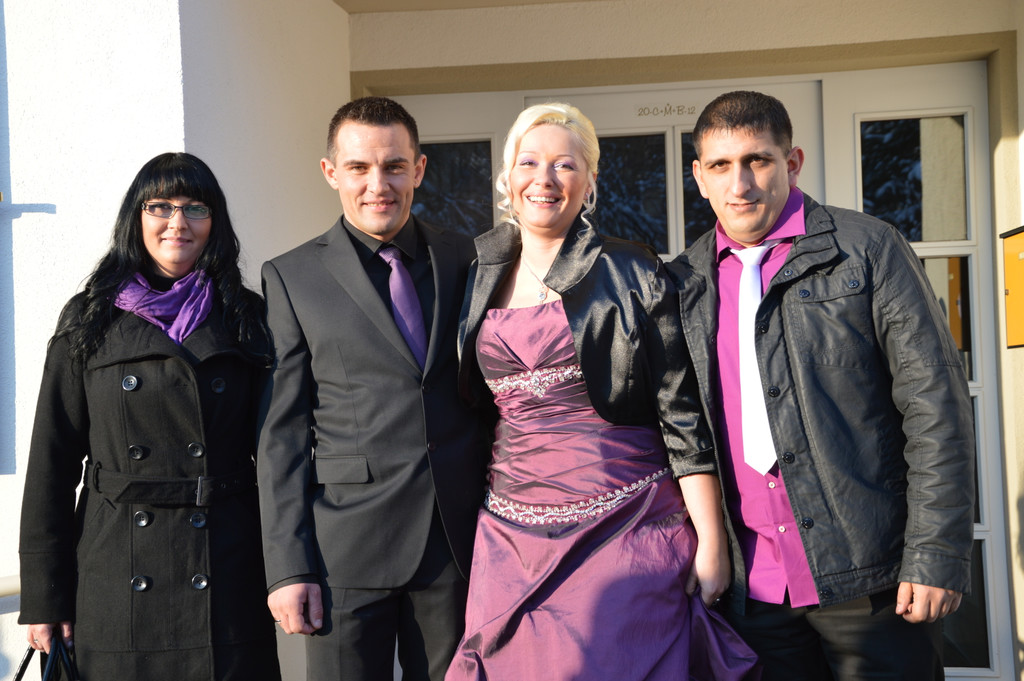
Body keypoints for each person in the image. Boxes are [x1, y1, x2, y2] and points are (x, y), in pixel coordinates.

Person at [667, 90, 975, 680]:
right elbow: (680, 430)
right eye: (721, 166)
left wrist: (936, 552)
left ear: (793, 162)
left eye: (758, 160)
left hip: (874, 580)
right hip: (753, 591)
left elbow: (936, 407)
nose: (740, 184)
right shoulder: (684, 283)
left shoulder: (868, 249)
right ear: (699, 177)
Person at [446, 102, 758, 681]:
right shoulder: (477, 272)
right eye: (529, 162)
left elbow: (680, 410)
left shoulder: (631, 270)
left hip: (624, 527)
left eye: (564, 165)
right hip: (510, 537)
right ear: (507, 176)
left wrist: (711, 539)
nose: (544, 179)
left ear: (589, 182)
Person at [18, 152, 281, 679]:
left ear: (215, 222)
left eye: (195, 208)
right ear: (135, 218)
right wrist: (44, 597)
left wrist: (291, 571)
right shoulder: (90, 317)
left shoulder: (247, 315)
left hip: (225, 567)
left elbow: (280, 454)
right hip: (117, 574)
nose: (177, 222)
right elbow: (52, 464)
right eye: (160, 206)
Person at [257, 96, 488, 681]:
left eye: (393, 166)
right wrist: (288, 567)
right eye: (358, 167)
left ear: (419, 169)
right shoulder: (291, 276)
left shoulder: (468, 258)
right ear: (331, 172)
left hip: (456, 546)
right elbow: (282, 435)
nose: (377, 184)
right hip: (345, 552)